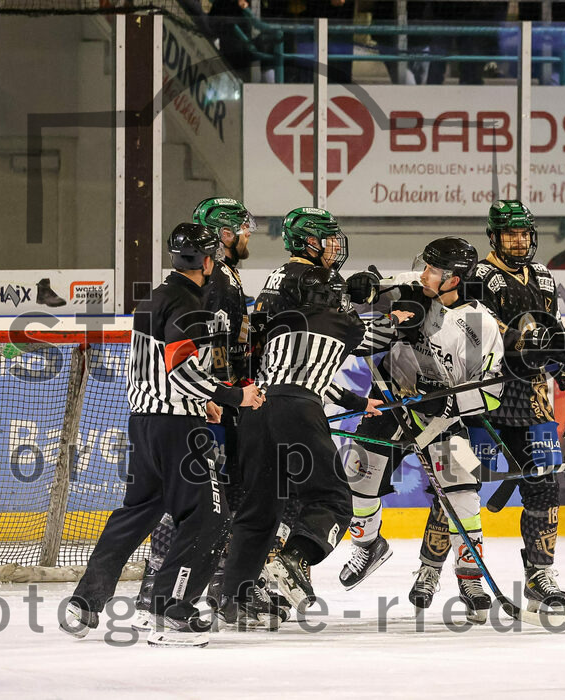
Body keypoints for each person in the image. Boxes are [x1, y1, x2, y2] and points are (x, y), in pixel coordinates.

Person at [61, 223, 265, 648]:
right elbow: (182, 367)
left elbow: (163, 366)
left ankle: (85, 601)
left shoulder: (155, 297)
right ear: (208, 261)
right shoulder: (191, 303)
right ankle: (172, 609)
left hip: (145, 422)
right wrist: (232, 396)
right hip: (177, 430)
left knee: (139, 511)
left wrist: (201, 400)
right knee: (211, 516)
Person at [221, 207, 392, 617]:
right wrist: (393, 308)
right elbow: (373, 332)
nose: (334, 248)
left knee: (259, 510)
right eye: (327, 240)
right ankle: (294, 561)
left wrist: (353, 401)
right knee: (334, 498)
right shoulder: (338, 315)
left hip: (257, 406)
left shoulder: (277, 303)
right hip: (298, 407)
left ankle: (234, 599)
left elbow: (275, 352)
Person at [338, 237, 504, 624]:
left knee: (463, 494)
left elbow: (491, 393)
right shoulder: (413, 285)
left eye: (434, 270)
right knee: (357, 478)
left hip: (446, 419)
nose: (424, 273)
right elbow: (370, 293)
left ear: (455, 279)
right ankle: (368, 545)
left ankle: (469, 577)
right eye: (425, 266)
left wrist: (451, 403)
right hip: (391, 404)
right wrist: (361, 287)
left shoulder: (482, 325)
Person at [133, 197, 263, 630]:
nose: (247, 236)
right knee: (207, 498)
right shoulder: (218, 280)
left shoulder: (218, 276)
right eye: (241, 229)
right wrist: (228, 397)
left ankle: (161, 583)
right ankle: (182, 587)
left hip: (201, 401)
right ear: (223, 235)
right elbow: (214, 348)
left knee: (194, 497)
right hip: (209, 405)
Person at [467, 199, 565, 614]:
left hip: (533, 401)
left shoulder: (547, 279)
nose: (519, 241)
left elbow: (548, 337)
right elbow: (477, 332)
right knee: (462, 487)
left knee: (545, 485)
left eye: (524, 233)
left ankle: (539, 574)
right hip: (485, 398)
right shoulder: (478, 276)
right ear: (494, 237)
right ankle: (465, 577)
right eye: (510, 233)